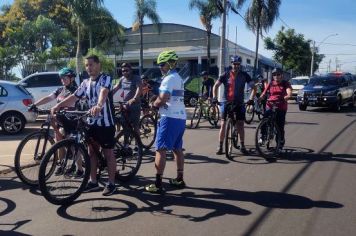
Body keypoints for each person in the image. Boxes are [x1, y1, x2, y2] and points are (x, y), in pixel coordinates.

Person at [51, 55, 117, 196]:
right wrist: (58, 105)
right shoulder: (85, 83)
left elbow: (103, 93)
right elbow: (74, 96)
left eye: (91, 65)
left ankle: (111, 183)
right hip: (91, 122)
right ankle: (93, 182)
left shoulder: (106, 78)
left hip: (106, 123)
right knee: (91, 152)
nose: (89, 68)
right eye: (87, 65)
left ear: (98, 65)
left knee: (108, 153)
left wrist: (99, 105)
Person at [145, 50, 186, 193]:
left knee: (160, 149)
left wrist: (153, 105)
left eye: (162, 64)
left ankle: (157, 184)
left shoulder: (168, 79)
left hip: (169, 117)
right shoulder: (179, 78)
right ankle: (179, 178)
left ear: (170, 64)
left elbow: (163, 98)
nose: (160, 67)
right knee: (177, 149)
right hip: (180, 117)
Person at [29, 67, 82, 176]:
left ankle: (80, 169)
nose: (62, 80)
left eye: (65, 78)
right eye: (61, 78)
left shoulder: (76, 90)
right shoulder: (60, 90)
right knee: (59, 143)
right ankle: (61, 165)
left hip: (73, 121)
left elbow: (74, 104)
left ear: (71, 78)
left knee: (72, 146)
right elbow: (49, 97)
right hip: (61, 120)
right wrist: (35, 104)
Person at [212, 55, 256, 155]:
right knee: (223, 124)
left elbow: (254, 88)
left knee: (240, 125)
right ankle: (220, 146)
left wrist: (251, 99)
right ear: (231, 64)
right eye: (234, 64)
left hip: (239, 102)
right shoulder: (225, 74)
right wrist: (215, 98)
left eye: (238, 64)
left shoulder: (244, 75)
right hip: (226, 102)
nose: (236, 66)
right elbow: (215, 86)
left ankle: (242, 145)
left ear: (240, 65)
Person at [258, 68, 292, 150]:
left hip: (281, 106)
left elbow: (289, 91)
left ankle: (280, 144)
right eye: (274, 75)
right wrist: (261, 97)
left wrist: (288, 95)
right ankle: (263, 136)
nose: (276, 76)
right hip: (270, 104)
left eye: (278, 74)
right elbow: (264, 92)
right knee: (264, 120)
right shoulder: (271, 84)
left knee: (280, 126)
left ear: (281, 75)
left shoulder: (285, 83)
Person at [112, 63, 142, 133]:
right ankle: (126, 143)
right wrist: (107, 95)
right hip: (125, 105)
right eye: (123, 71)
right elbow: (115, 88)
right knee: (125, 125)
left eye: (126, 70)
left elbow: (139, 89)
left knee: (135, 126)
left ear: (131, 70)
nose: (124, 72)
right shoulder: (122, 79)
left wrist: (134, 98)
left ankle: (138, 143)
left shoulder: (136, 78)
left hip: (135, 105)